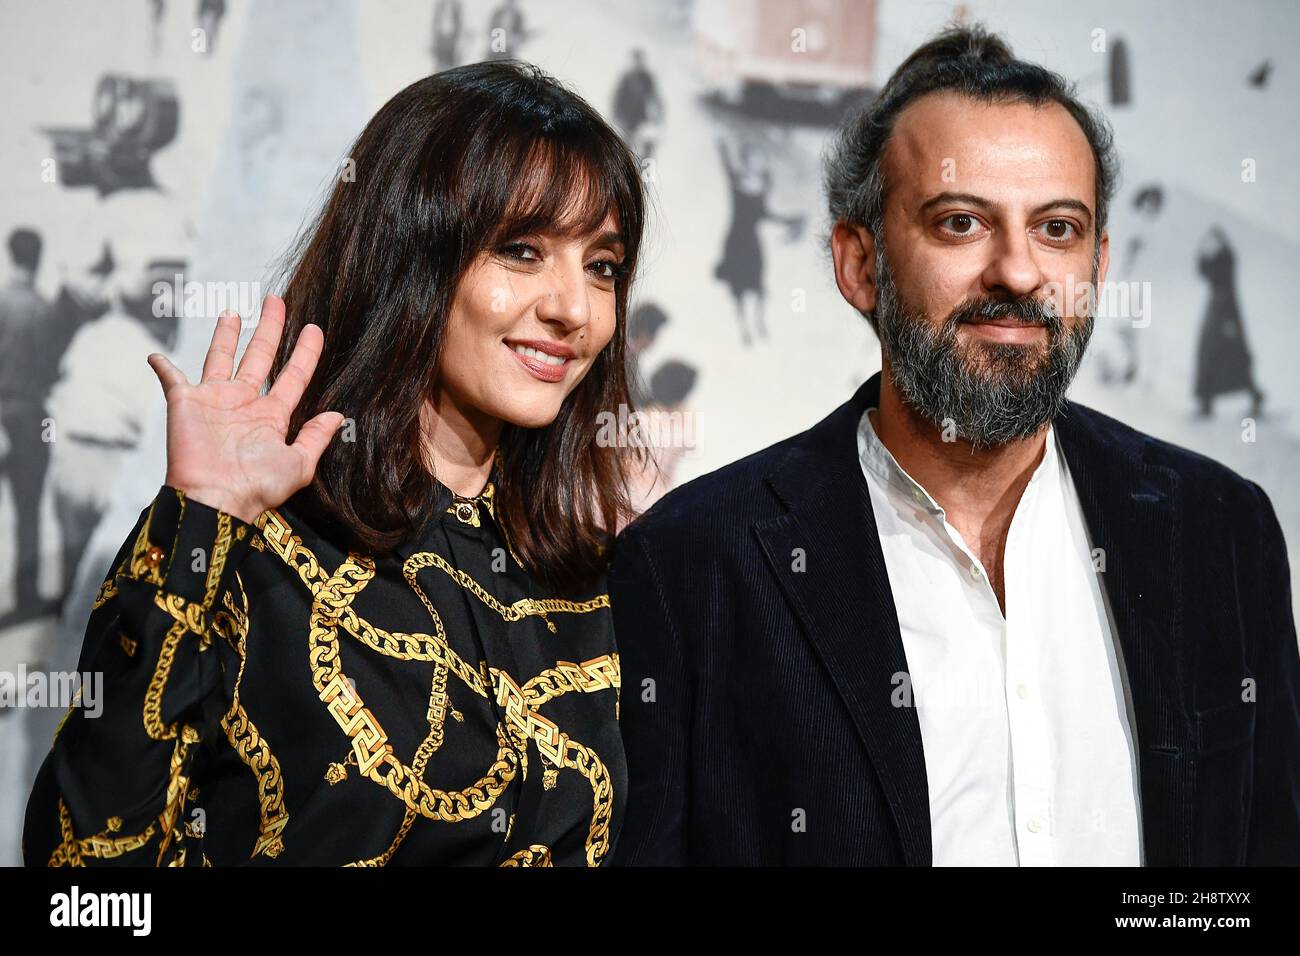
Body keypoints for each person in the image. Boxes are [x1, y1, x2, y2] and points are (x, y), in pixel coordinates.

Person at [609, 25, 1299, 866]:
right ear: (860, 264)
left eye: (1057, 229)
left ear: (1100, 262)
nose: (1017, 271)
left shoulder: (1222, 530)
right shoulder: (697, 563)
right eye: (961, 222)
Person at [23, 60, 646, 867]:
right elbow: (83, 877)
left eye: (602, 265)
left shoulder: (585, 580)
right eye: (521, 251)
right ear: (411, 254)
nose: (573, 308)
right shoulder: (252, 550)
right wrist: (199, 521)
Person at [713, 137, 803, 346]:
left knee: (757, 283)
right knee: (738, 287)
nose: (756, 162)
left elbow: (763, 213)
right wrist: (723, 149)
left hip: (751, 241)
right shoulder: (737, 179)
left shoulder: (764, 183)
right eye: (752, 157)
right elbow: (726, 164)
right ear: (745, 160)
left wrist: (787, 220)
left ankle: (759, 321)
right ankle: (744, 328)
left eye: (758, 158)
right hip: (736, 240)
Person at [1193, 226, 1264, 418]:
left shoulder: (1226, 258)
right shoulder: (1223, 258)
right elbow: (1206, 274)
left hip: (1224, 312)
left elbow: (1215, 279)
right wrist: (1201, 252)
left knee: (1226, 357)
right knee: (1221, 357)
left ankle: (1253, 398)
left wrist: (1228, 321)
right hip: (1221, 311)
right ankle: (1207, 403)